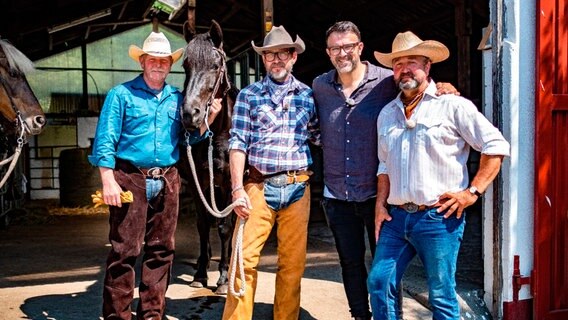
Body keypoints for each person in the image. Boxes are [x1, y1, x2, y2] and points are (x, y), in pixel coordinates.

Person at [312, 21, 457, 320]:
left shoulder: (384, 81)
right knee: (350, 264)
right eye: (336, 48)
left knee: (386, 271)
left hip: (379, 196)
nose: (343, 53)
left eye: (349, 46)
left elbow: (415, 81)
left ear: (360, 47)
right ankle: (360, 316)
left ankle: (394, 316)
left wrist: (444, 87)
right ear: (328, 53)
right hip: (337, 194)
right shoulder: (320, 86)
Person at [367, 31, 510, 319]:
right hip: (396, 217)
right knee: (379, 282)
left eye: (412, 62)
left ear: (427, 66)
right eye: (397, 64)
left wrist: (472, 193)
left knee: (441, 293)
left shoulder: (453, 105)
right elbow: (384, 165)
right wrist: (380, 205)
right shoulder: (387, 113)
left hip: (437, 217)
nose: (404, 69)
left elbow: (496, 146)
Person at [88, 31, 221, 320]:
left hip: (168, 181)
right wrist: (108, 179)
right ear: (143, 62)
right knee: (125, 251)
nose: (158, 65)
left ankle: (152, 315)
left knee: (162, 252)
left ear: (169, 65)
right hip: (130, 179)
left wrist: (208, 120)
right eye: (153, 60)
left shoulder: (177, 97)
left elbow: (186, 143)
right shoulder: (120, 95)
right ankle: (117, 316)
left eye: (164, 61)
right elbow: (105, 141)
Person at [223, 25, 320, 320]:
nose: (275, 60)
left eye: (281, 54)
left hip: (298, 185)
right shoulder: (249, 96)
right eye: (269, 55)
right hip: (258, 186)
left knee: (292, 264)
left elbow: (319, 135)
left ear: (293, 57)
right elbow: (237, 142)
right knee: (243, 259)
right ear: (263, 60)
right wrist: (237, 189)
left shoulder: (308, 95)